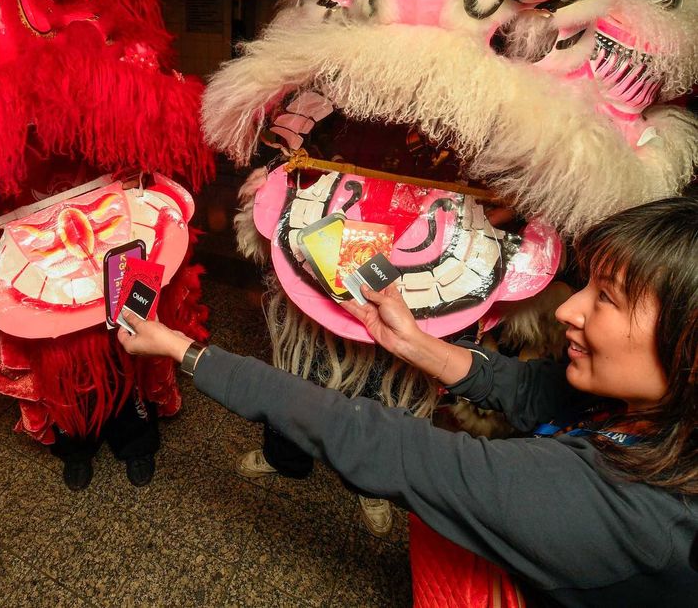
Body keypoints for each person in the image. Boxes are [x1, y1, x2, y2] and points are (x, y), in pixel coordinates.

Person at [117, 196, 698, 606]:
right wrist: (414, 343)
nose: (570, 310)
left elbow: (378, 442)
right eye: (588, 287)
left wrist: (182, 349)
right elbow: (523, 388)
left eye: (609, 301)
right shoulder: (647, 411)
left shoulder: (626, 511)